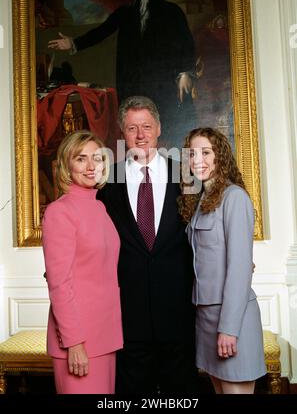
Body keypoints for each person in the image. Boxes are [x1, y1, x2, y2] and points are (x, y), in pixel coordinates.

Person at [98, 96, 197, 394]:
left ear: (158, 129)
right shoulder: (105, 179)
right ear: (121, 133)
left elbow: (206, 233)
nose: (140, 135)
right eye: (132, 128)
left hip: (178, 309)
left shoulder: (186, 174)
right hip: (128, 312)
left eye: (146, 127)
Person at [48, 0, 196, 145]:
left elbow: (186, 44)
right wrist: (73, 43)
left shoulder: (172, 11)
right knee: (135, 130)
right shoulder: (126, 11)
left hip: (161, 81)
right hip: (132, 81)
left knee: (164, 129)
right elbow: (101, 32)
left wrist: (185, 73)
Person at [178, 127, 266, 394]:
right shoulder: (200, 200)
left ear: (221, 156)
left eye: (206, 152)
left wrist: (229, 328)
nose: (198, 160)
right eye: (192, 154)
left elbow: (240, 268)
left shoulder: (234, 197)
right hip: (205, 316)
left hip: (231, 319)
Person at [42, 130, 123, 394]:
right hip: (79, 342)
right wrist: (74, 343)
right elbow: (59, 284)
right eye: (81, 159)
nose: (91, 166)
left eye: (97, 158)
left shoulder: (99, 208)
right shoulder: (59, 211)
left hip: (106, 337)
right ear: (67, 164)